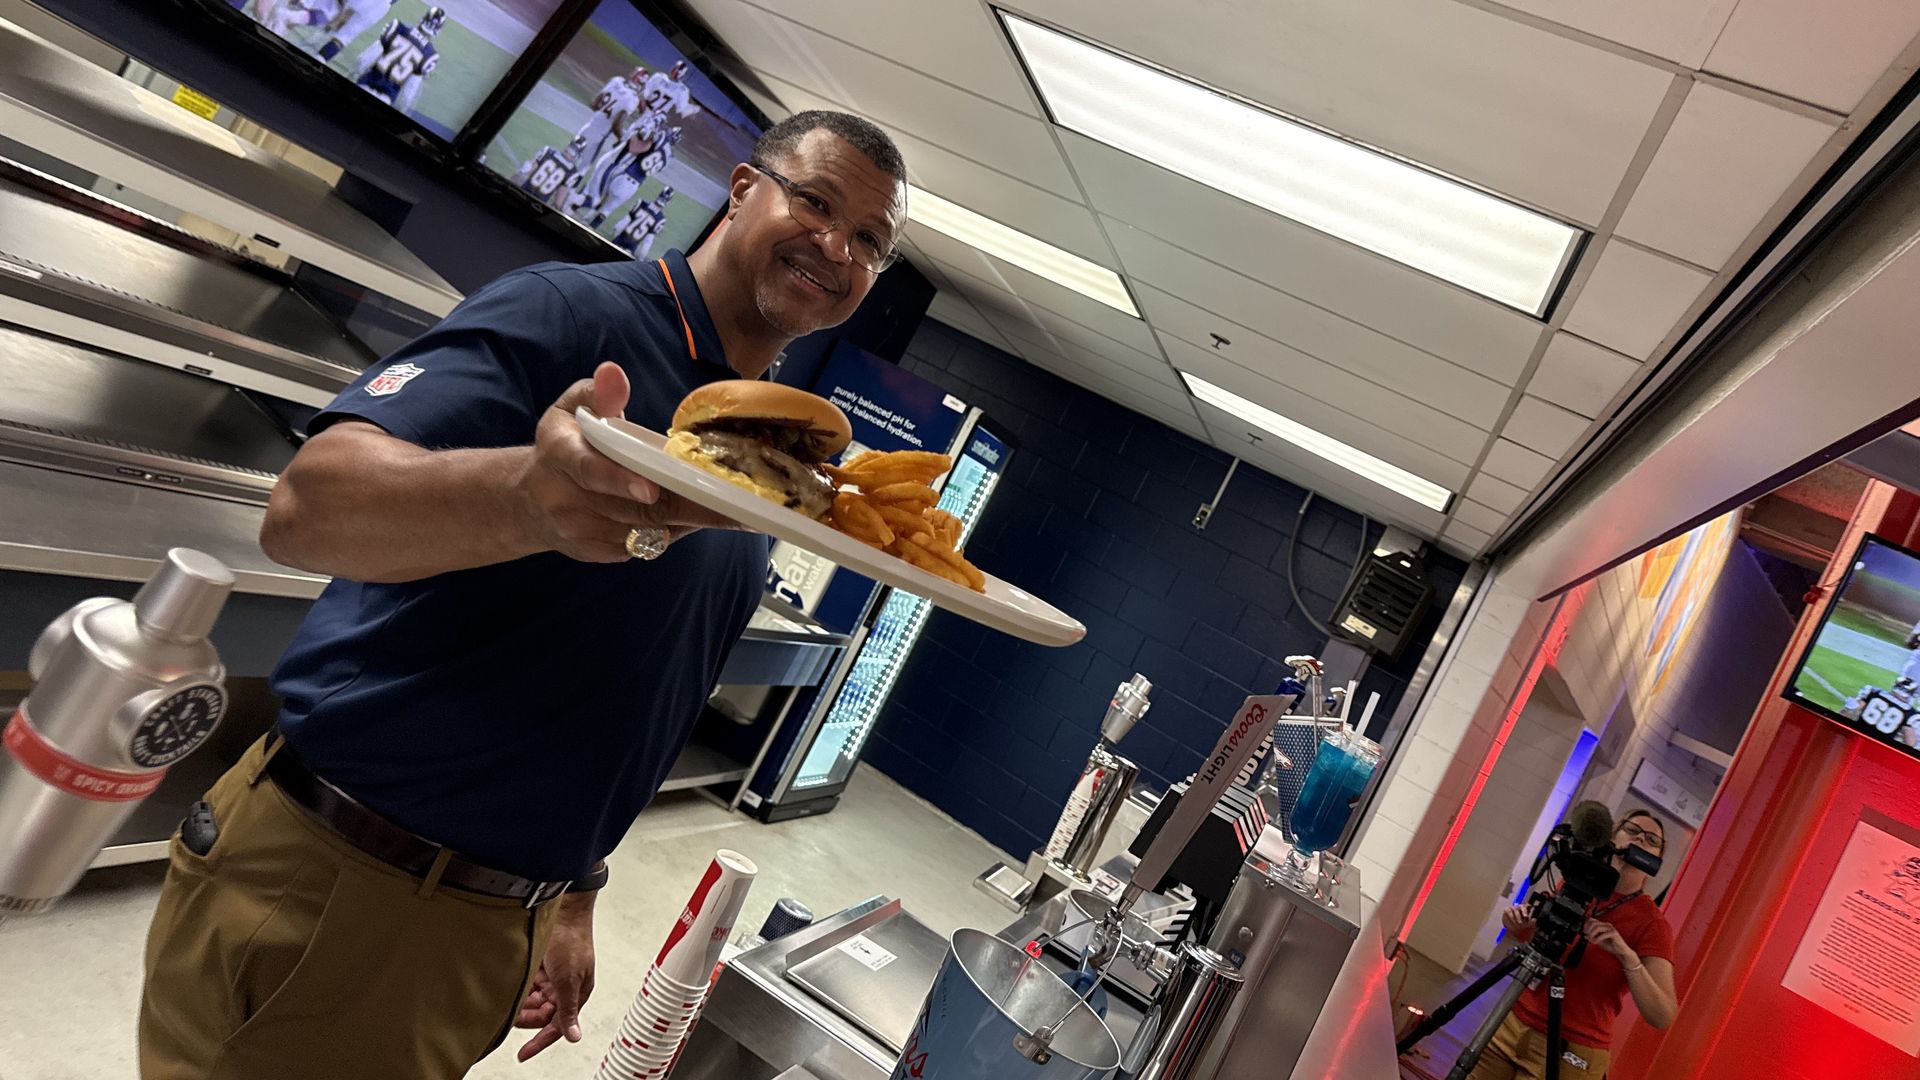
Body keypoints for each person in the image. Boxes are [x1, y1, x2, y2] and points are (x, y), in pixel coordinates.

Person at [138, 109, 909, 1080]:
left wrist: (570, 890)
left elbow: (620, 682)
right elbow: (306, 508)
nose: (837, 246)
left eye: (870, 242)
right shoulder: (574, 316)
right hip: (344, 889)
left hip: (482, 921)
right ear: (744, 188)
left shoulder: (754, 450)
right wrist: (525, 499)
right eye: (816, 201)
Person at [1468, 809, 1681, 1080]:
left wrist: (1627, 956)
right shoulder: (1578, 882)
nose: (1640, 839)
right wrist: (1518, 927)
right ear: (1613, 837)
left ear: (1656, 862)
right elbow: (1545, 942)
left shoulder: (1653, 925)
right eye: (1632, 830)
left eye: (1651, 840)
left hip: (1570, 1052)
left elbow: (1662, 1015)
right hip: (1512, 1021)